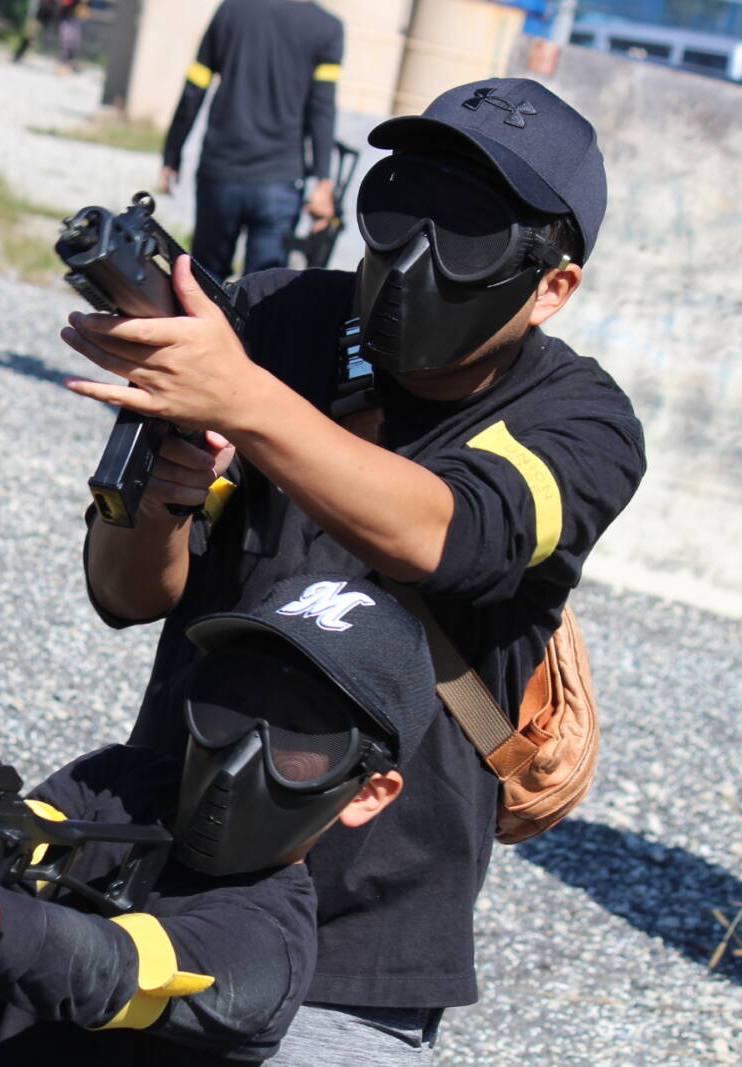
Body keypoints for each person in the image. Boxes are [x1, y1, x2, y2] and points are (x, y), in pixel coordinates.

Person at [61, 78, 647, 1061]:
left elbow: (445, 533)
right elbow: (127, 593)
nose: (414, 254)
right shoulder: (276, 318)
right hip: (162, 886)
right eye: (400, 204)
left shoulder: (583, 423)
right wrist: (160, 496)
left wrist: (243, 398)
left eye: (467, 230)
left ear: (552, 285)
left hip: (360, 946)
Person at [0, 574, 441, 1066]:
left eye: (300, 738)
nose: (242, 755)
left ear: (369, 792)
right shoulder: (117, 784)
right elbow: (9, 846)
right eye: (235, 703)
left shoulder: (268, 948)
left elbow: (108, 971)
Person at [160, 0, 344, 280]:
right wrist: (323, 182)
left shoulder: (232, 10)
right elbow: (322, 107)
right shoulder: (326, 27)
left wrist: (172, 154)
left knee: (205, 282)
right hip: (280, 181)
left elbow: (195, 87)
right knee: (264, 291)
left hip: (220, 173)